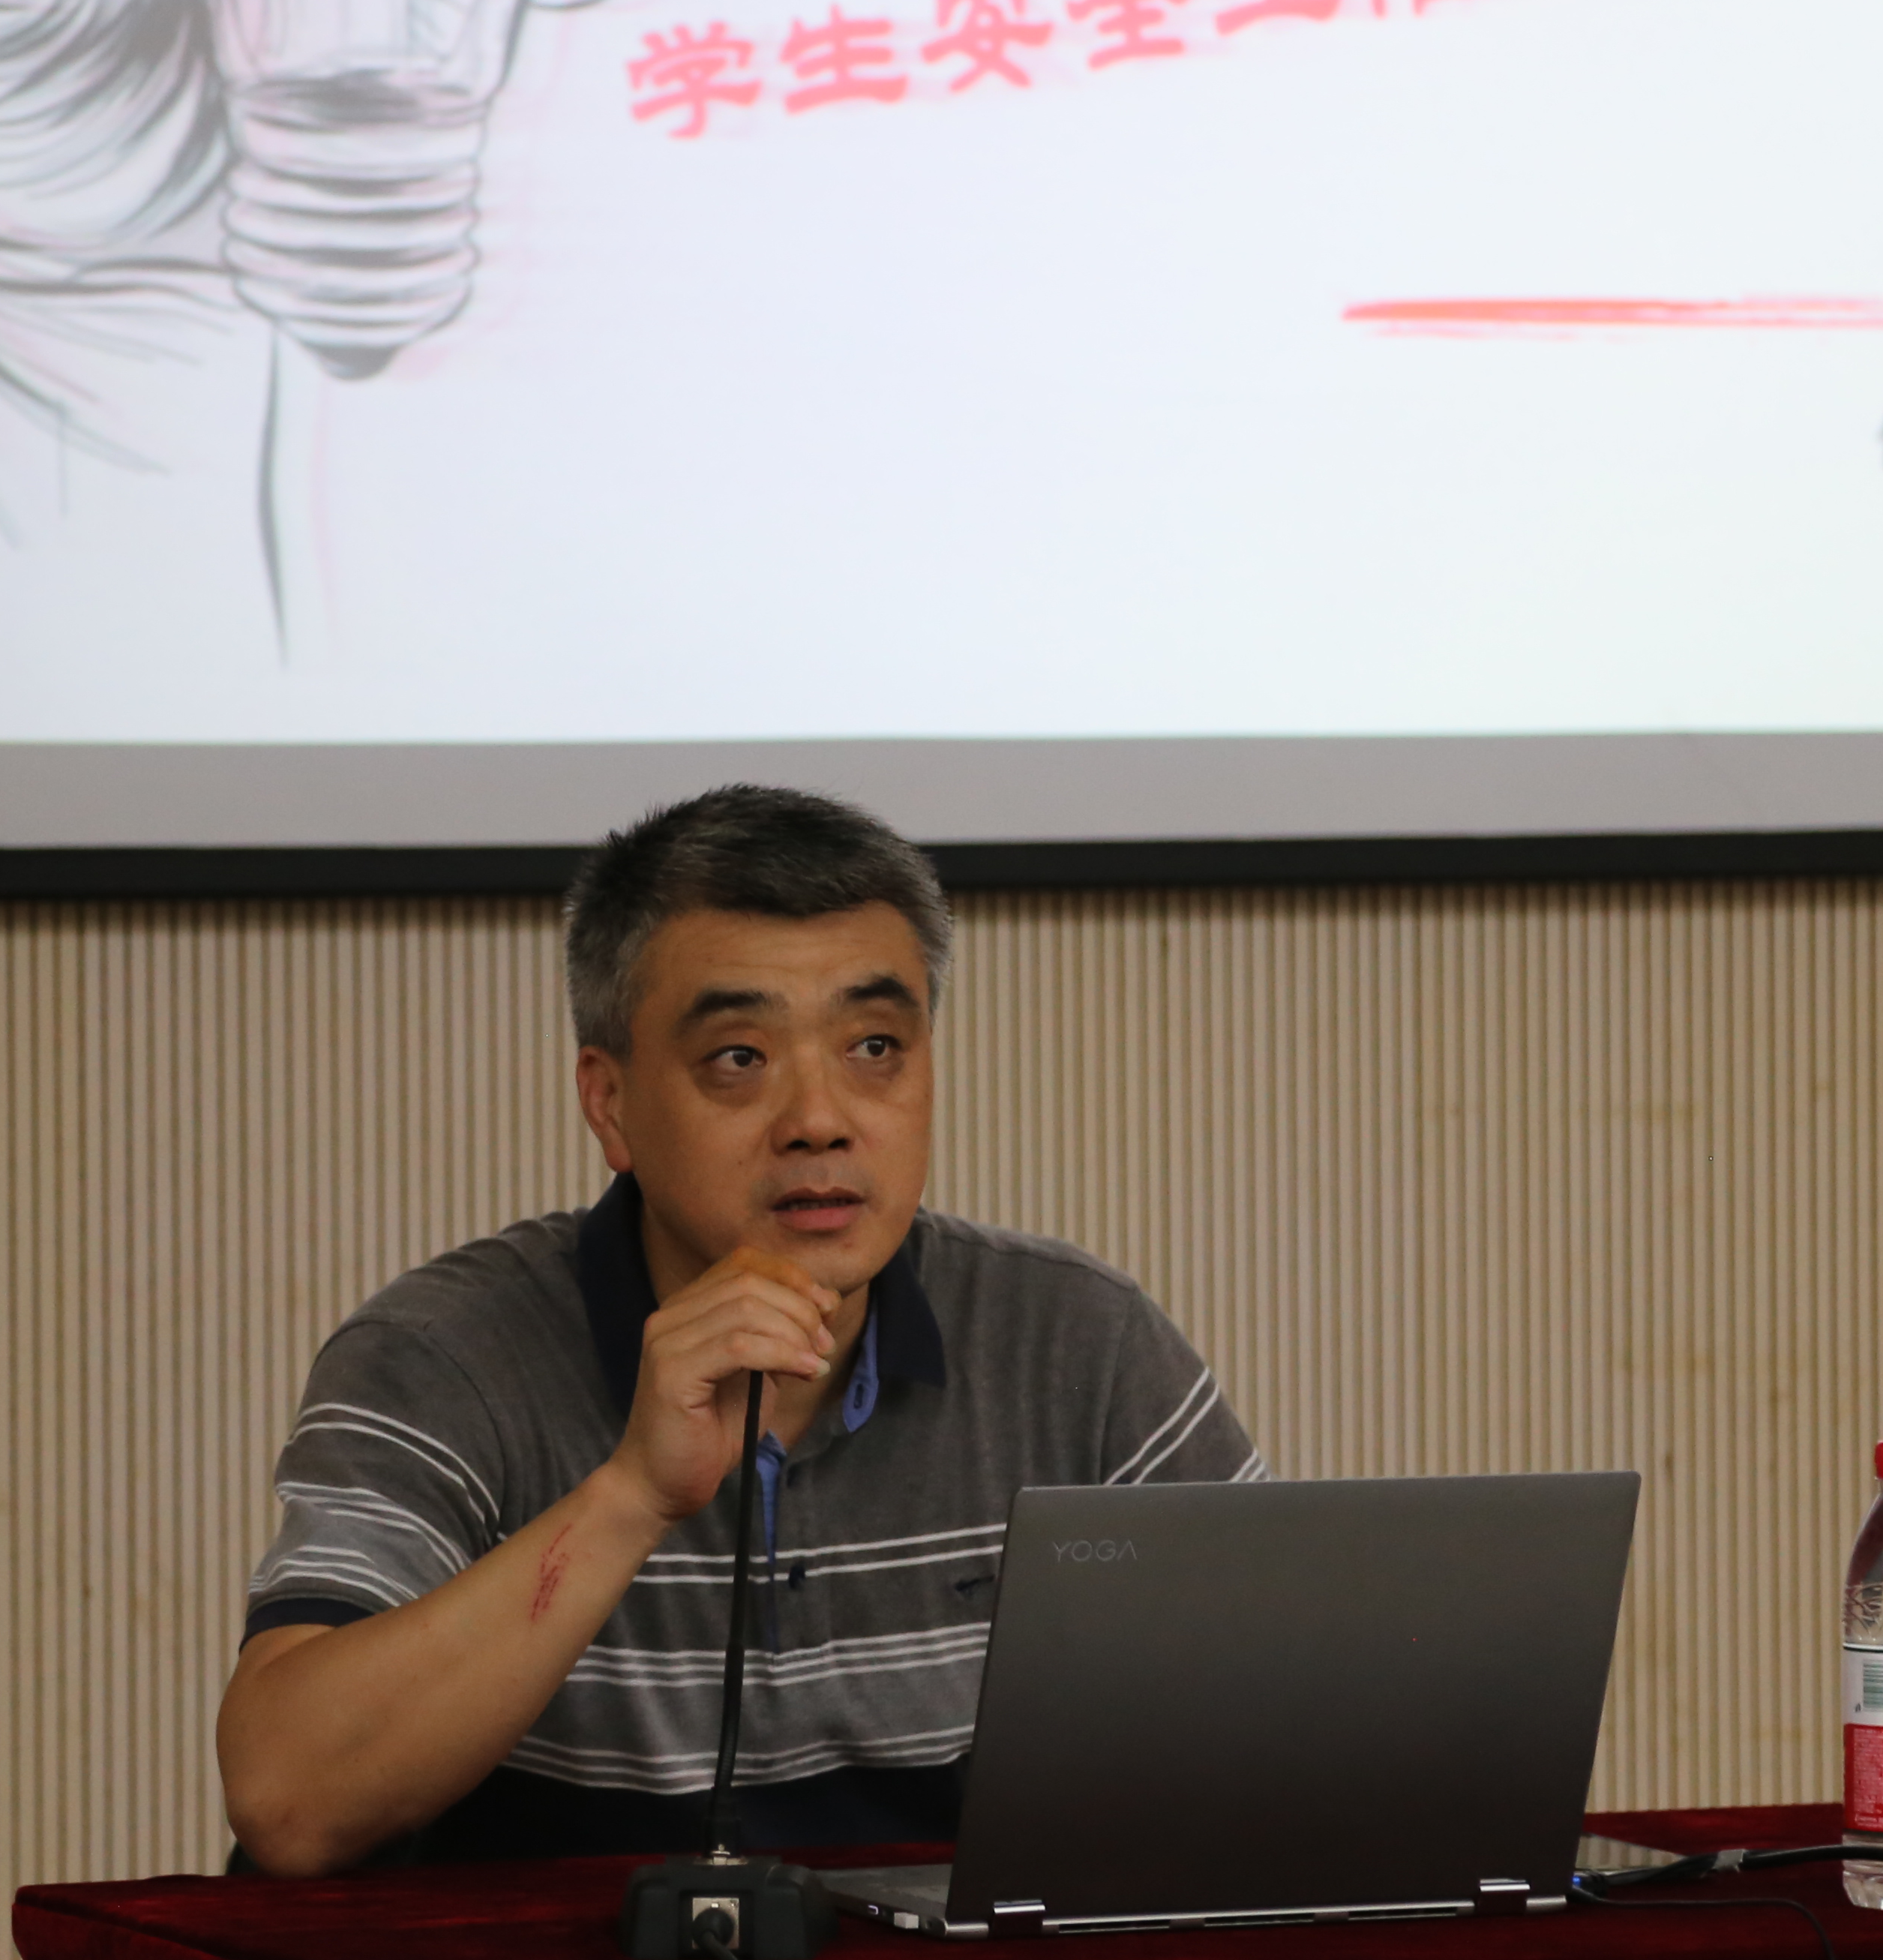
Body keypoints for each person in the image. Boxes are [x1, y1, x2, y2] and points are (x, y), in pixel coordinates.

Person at [217, 787, 1259, 1874]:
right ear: (610, 1103)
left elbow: (1296, 1731)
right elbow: (290, 1803)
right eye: (740, 1059)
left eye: (874, 1046)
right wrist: (632, 1495)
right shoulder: (443, 1355)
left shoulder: (1076, 1343)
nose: (819, 1120)